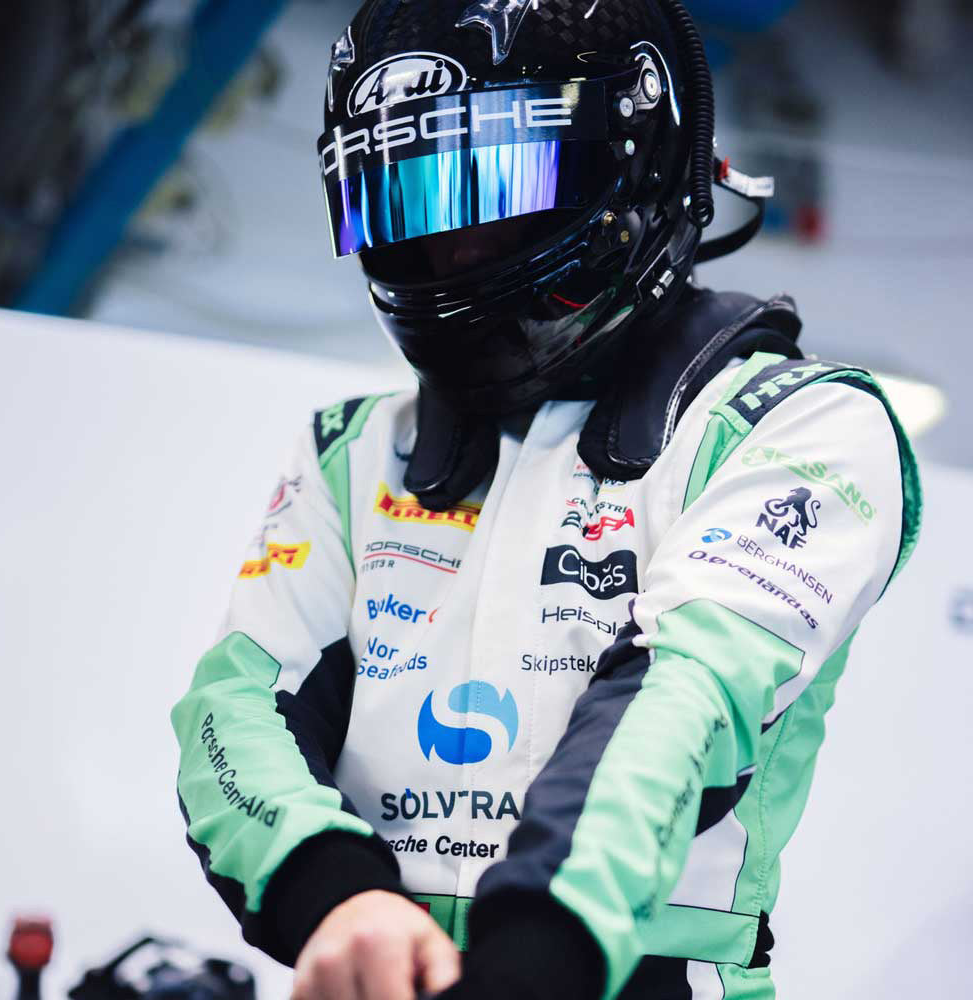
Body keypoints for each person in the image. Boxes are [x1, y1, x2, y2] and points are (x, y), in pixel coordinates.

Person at [171, 2, 921, 998]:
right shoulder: (354, 448)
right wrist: (339, 898)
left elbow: (677, 702)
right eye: (403, 203)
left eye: (489, 188)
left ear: (631, 163)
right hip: (377, 969)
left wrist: (534, 954)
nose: (446, 247)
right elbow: (233, 712)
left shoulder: (797, 425)